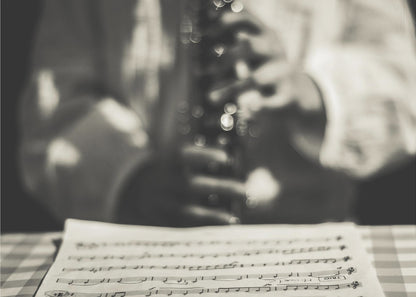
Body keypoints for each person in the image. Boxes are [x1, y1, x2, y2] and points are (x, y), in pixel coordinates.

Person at [19, 0, 416, 226]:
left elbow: (403, 84)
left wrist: (310, 92)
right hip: (143, 234)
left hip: (307, 230)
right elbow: (53, 105)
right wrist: (130, 179)